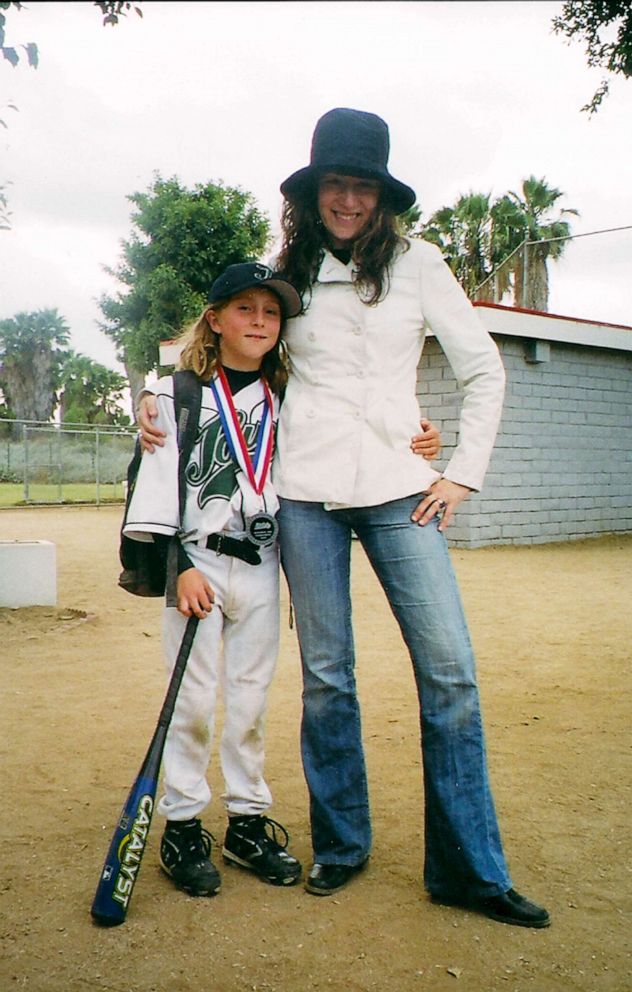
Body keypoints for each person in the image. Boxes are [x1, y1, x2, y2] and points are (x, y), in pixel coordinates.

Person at [139, 107, 549, 928]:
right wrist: (151, 400)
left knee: (450, 672)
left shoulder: (422, 264)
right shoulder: (286, 270)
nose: (349, 200)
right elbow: (223, 344)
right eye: (337, 184)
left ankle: (468, 868)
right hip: (304, 495)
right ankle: (342, 846)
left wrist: (459, 471)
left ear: (383, 196)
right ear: (314, 191)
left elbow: (485, 371)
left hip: (405, 490)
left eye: (364, 187)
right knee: (328, 677)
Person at [123, 262, 306, 898]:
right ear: (216, 319)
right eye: (245, 309)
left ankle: (247, 823)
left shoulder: (287, 395)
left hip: (262, 564)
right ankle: (181, 825)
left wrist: (419, 435)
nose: (259, 322)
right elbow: (154, 486)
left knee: (251, 700)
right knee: (194, 702)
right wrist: (181, 568)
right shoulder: (178, 395)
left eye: (272, 313)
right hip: (197, 566)